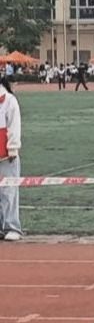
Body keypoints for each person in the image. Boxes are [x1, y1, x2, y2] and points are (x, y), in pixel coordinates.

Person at [0, 75, 22, 241]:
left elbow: (14, 126)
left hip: (6, 155)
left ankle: (12, 226)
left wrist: (13, 148)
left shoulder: (8, 100)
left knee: (9, 191)